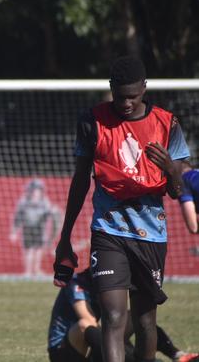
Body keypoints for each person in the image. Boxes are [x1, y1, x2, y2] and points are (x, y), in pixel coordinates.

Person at [53, 55, 190, 362]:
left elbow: (177, 190)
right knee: (113, 317)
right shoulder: (92, 121)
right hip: (108, 231)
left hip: (151, 236)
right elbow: (79, 182)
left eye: (133, 96)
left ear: (144, 88)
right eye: (120, 95)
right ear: (111, 87)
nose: (126, 103)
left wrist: (170, 169)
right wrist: (64, 238)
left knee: (144, 323)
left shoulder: (167, 124)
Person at [48, 268, 199, 362]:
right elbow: (88, 322)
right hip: (62, 351)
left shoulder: (107, 282)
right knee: (85, 325)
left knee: (136, 316)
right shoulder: (77, 282)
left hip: (92, 345)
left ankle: (177, 355)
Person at [10, 178, 61, 277]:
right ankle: (28, 271)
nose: (35, 193)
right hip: (27, 228)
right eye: (33, 190)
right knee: (28, 250)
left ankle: (36, 269)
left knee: (38, 249)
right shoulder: (24, 201)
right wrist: (14, 232)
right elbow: (18, 217)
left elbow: (49, 212)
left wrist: (53, 211)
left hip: (40, 228)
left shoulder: (44, 201)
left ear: (41, 191)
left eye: (37, 190)